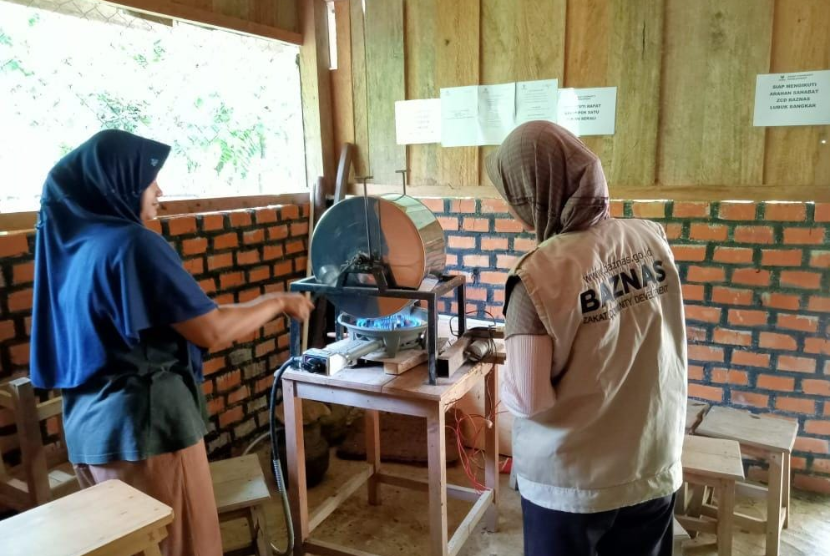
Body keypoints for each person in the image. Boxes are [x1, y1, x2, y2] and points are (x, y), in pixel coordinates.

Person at [29, 129, 313, 556]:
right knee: (188, 546)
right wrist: (277, 302)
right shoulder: (133, 243)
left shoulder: (71, 248)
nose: (159, 190)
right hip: (149, 432)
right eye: (149, 180)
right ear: (118, 183)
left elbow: (187, 316)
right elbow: (210, 329)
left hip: (90, 436)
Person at [486, 121, 687, 556]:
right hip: (651, 462)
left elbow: (529, 399)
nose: (514, 210)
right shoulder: (650, 237)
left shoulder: (536, 276)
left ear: (537, 193)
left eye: (515, 197)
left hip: (573, 486)